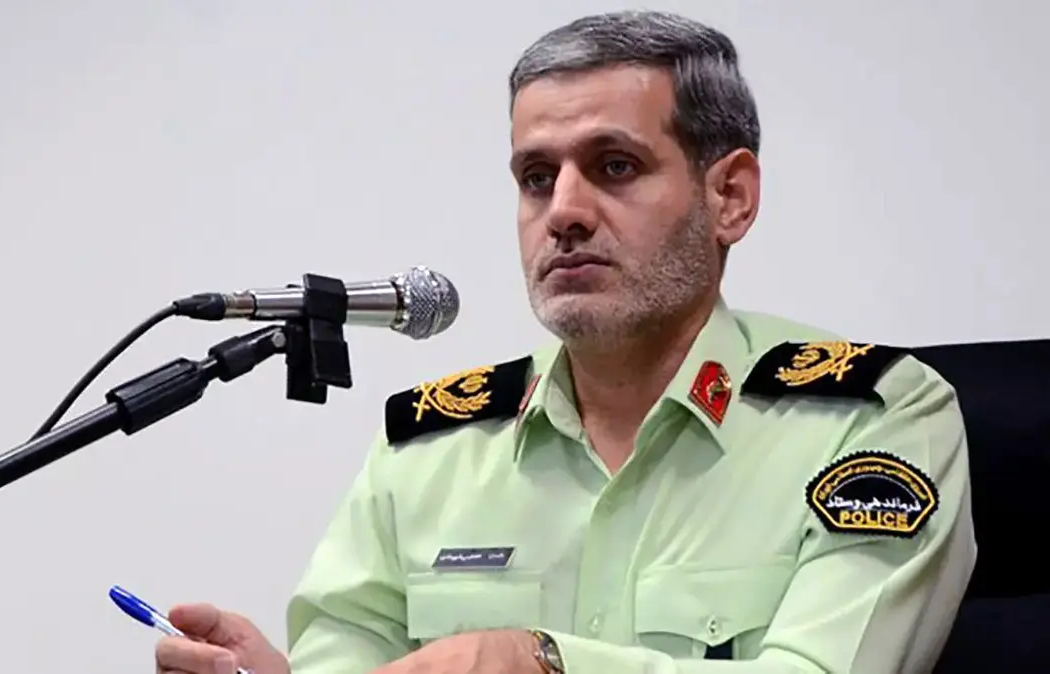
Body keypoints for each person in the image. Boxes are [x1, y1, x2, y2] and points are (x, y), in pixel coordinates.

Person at [154, 10, 976, 674]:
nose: (564, 213)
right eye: (537, 178)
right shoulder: (429, 448)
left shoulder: (871, 421)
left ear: (730, 196)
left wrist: (544, 663)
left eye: (615, 167)